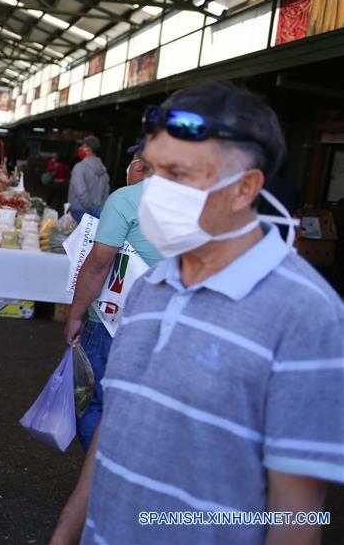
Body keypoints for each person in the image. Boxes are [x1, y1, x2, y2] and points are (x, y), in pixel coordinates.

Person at [51, 82, 343, 544]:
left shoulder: (306, 315)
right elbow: (119, 421)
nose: (155, 192)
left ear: (245, 187)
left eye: (179, 175)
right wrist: (69, 528)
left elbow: (298, 514)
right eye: (153, 170)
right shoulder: (149, 288)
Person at [62, 140, 161, 451]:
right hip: (169, 325)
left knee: (93, 404)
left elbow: (98, 264)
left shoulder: (126, 199)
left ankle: (105, 482)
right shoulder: (202, 203)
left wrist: (76, 314)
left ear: (141, 166)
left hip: (113, 322)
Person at [68, 135, 109, 222]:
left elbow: (81, 193)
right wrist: (97, 209)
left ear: (88, 148)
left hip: (78, 213)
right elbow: (105, 194)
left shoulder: (79, 167)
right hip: (95, 215)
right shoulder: (103, 170)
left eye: (83, 146)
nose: (81, 148)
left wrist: (91, 207)